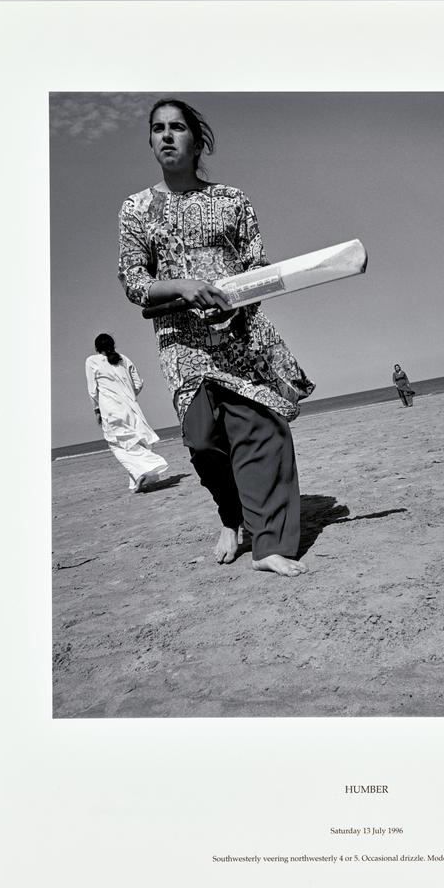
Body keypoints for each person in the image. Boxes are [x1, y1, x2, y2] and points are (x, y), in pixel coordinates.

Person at [118, 98, 315, 575]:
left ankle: (268, 546)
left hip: (239, 335)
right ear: (151, 141)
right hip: (182, 342)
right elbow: (134, 280)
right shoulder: (136, 209)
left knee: (262, 430)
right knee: (203, 441)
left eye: (177, 127)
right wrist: (183, 287)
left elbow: (258, 264)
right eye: (158, 128)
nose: (167, 135)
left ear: (196, 140)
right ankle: (232, 516)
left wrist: (238, 297)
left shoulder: (231, 199)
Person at [85, 333, 168, 492]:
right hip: (131, 407)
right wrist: (129, 395)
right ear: (113, 345)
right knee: (135, 441)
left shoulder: (92, 361)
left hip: (110, 409)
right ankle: (137, 482)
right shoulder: (124, 359)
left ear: (97, 348)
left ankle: (143, 470)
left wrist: (96, 410)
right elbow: (138, 384)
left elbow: (92, 390)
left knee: (116, 445)